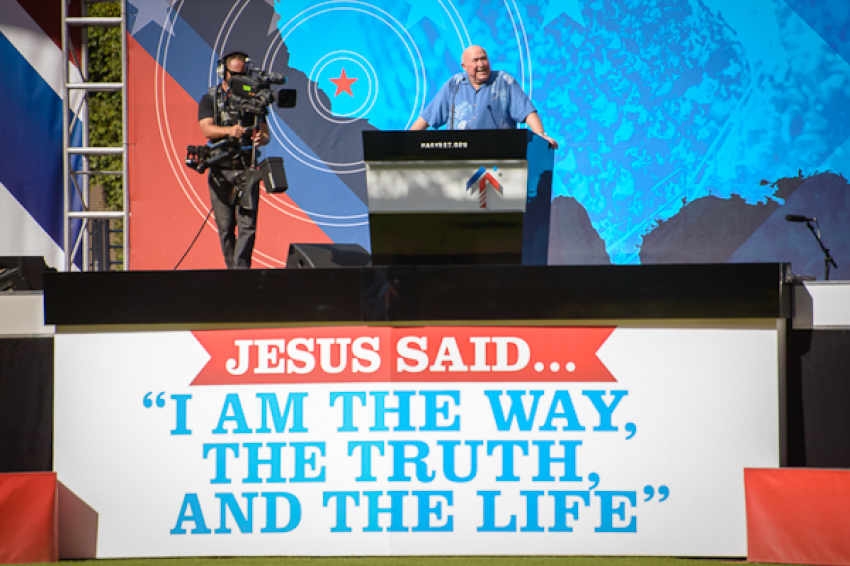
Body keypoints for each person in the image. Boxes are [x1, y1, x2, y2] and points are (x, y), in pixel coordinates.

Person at [198, 51, 270, 269]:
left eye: (242, 73)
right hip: (221, 170)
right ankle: (233, 271)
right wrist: (230, 131)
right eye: (234, 73)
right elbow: (206, 129)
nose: (239, 78)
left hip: (247, 169)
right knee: (226, 226)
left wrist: (261, 138)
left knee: (248, 225)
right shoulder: (211, 98)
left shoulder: (253, 98)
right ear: (223, 72)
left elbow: (266, 134)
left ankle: (241, 270)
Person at [410, 45, 558, 149]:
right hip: (459, 158)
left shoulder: (504, 81)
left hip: (498, 157)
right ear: (464, 66)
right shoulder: (453, 85)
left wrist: (541, 136)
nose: (481, 64)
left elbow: (527, 112)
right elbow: (427, 118)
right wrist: (404, 142)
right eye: (475, 61)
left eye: (484, 59)